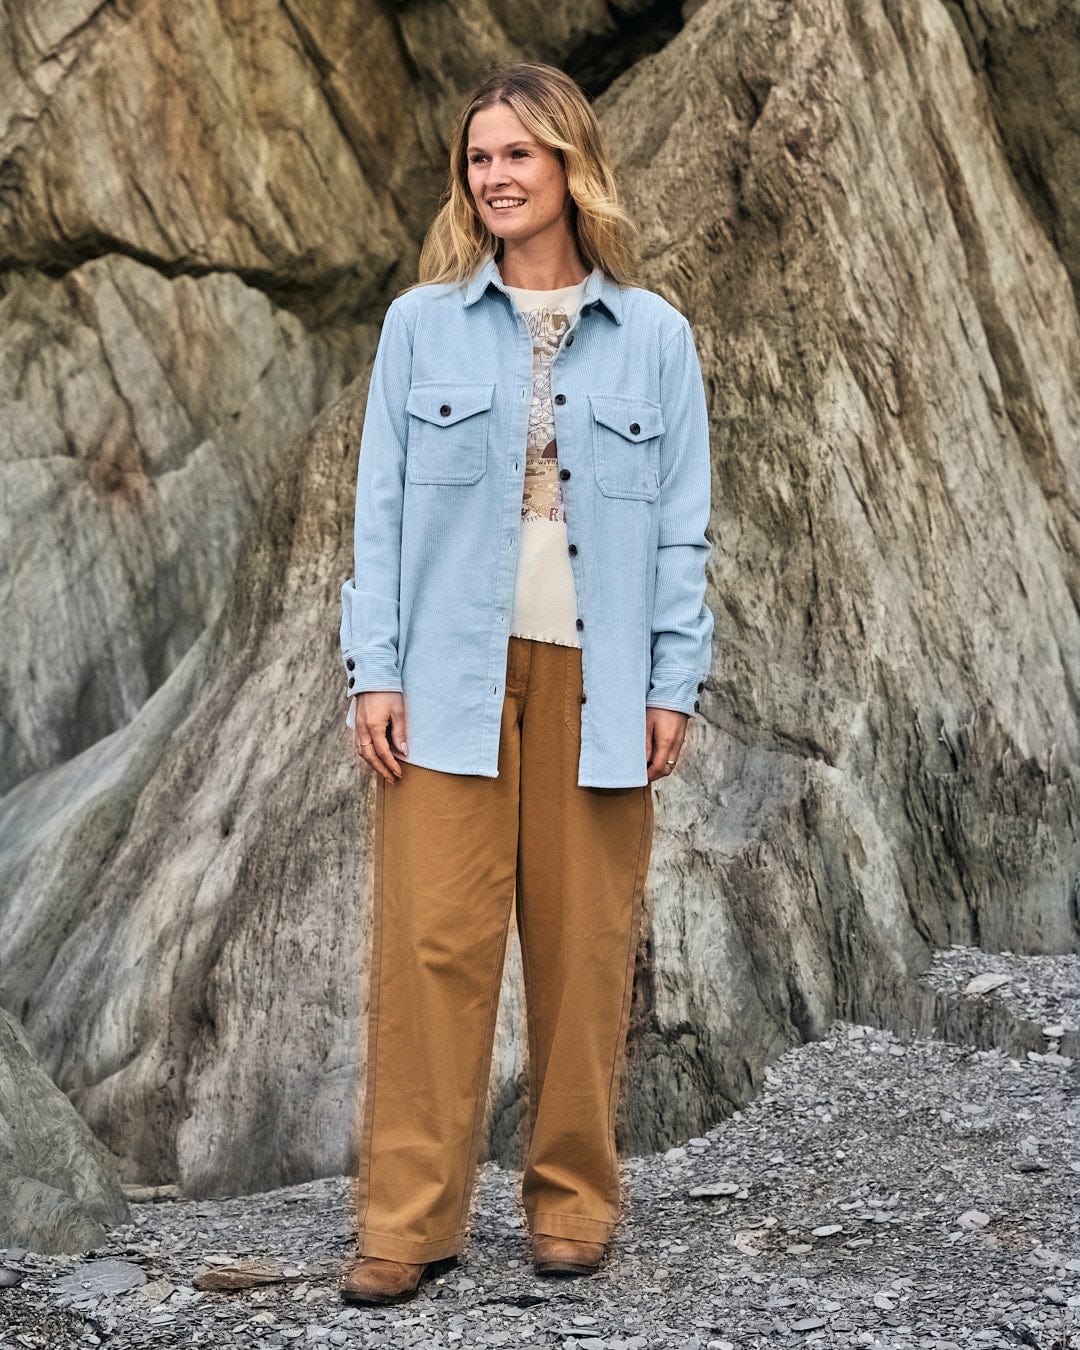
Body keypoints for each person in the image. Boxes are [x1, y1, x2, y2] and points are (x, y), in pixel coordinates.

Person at [338, 60, 714, 1306]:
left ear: (569, 168)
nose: (494, 177)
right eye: (479, 159)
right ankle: (408, 1223)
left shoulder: (656, 336)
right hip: (445, 675)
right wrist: (373, 670)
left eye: (517, 156)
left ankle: (571, 1204)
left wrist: (674, 681)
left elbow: (681, 530)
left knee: (583, 949)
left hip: (598, 678)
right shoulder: (417, 328)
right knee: (433, 948)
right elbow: (379, 513)